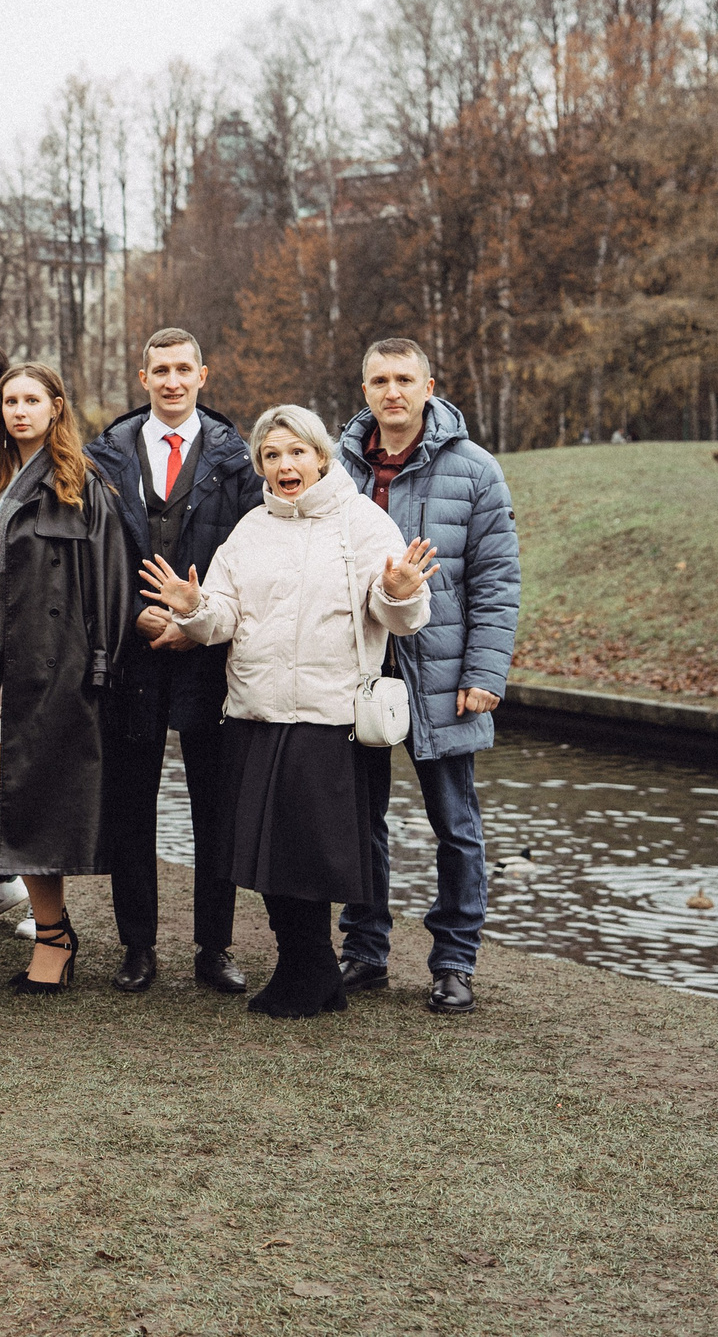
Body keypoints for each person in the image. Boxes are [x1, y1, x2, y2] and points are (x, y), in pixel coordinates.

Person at [146, 405, 437, 1018]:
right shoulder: (251, 528)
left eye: (296, 452)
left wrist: (400, 593)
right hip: (256, 708)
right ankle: (310, 970)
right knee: (266, 852)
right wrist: (195, 607)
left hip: (330, 716)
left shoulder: (364, 522)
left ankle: (309, 971)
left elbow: (399, 617)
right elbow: (222, 617)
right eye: (272, 456)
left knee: (308, 854)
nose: (285, 466)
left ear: (322, 455)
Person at [334, 340, 520, 1016]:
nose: (393, 392)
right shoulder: (335, 468)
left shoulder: (475, 470)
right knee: (358, 819)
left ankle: (453, 961)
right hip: (358, 668)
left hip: (444, 673)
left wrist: (485, 672)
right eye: (380, 380)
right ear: (364, 388)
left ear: (428, 385)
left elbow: (498, 582)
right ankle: (364, 947)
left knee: (455, 822)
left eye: (404, 379)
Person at [85, 328, 262, 995]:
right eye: (160, 369)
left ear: (203, 374)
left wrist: (196, 621)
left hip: (206, 656)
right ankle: (137, 946)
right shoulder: (106, 456)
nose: (171, 380)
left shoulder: (235, 458)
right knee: (132, 804)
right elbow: (94, 552)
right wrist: (137, 610)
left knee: (214, 804)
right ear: (143, 375)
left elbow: (250, 555)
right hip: (133, 652)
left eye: (183, 368)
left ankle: (213, 948)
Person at [0, 362, 131, 994]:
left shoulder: (83, 483)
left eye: (32, 400)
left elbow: (109, 582)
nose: (18, 411)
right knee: (8, 795)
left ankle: (53, 937)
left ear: (57, 407)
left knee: (14, 794)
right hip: (2, 661)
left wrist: (100, 663)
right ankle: (55, 932)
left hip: (58, 663)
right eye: (9, 401)